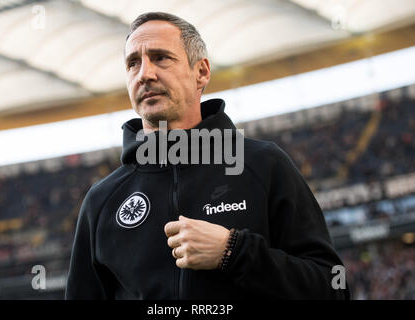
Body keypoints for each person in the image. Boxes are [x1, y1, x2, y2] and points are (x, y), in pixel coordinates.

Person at [65, 12, 350, 300]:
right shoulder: (101, 202)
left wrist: (233, 252)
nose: (145, 74)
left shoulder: (263, 164)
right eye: (133, 63)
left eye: (161, 57)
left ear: (201, 72)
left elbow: (333, 288)